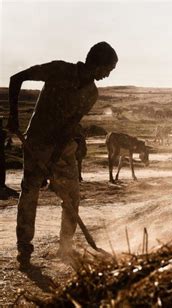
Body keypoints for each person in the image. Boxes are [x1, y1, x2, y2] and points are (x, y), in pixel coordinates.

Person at [7, 42, 118, 269]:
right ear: (97, 64)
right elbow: (16, 78)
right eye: (108, 69)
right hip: (36, 142)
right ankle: (24, 252)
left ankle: (65, 247)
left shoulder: (91, 94)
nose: (108, 74)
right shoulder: (59, 70)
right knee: (30, 194)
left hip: (63, 146)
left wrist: (55, 158)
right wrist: (14, 116)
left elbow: (69, 126)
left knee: (72, 197)